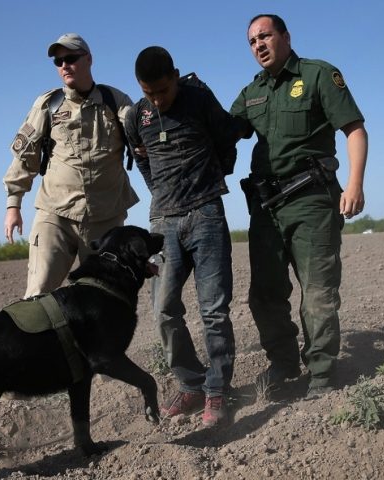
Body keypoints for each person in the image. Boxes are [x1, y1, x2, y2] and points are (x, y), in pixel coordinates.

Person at [229, 14, 369, 399]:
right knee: (265, 294)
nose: (258, 45)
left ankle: (322, 375)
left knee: (318, 292)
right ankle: (284, 363)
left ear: (285, 37)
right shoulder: (252, 92)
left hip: (311, 199)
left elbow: (354, 128)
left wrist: (355, 183)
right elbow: (223, 131)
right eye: (252, 41)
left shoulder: (318, 74)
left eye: (265, 36)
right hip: (266, 208)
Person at [124, 47, 240, 426]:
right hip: (163, 224)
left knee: (213, 310)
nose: (157, 99)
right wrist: (161, 193)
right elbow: (141, 159)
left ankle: (218, 391)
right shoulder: (135, 115)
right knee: (163, 311)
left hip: (206, 213)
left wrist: (213, 175)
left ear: (175, 76)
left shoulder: (199, 97)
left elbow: (227, 138)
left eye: (162, 90)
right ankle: (192, 385)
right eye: (149, 92)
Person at [3, 33, 139, 298]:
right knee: (38, 296)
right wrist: (13, 205)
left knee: (106, 297)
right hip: (57, 216)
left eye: (71, 58)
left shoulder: (115, 101)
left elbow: (142, 137)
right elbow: (25, 156)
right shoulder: (47, 105)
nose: (64, 65)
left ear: (88, 59)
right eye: (58, 60)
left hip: (106, 217)